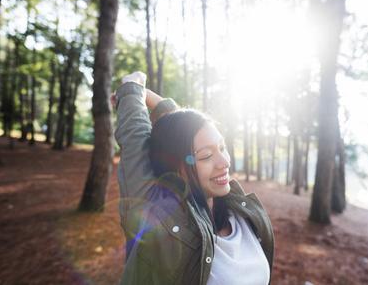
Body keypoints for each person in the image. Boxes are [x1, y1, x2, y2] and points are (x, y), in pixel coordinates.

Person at [113, 71, 274, 285]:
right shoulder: (159, 218)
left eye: (222, 148)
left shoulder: (242, 213)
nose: (224, 162)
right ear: (176, 167)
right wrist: (132, 87)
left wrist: (147, 93)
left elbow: (185, 131)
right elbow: (136, 138)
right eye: (207, 156)